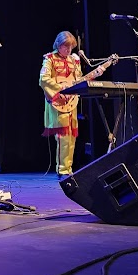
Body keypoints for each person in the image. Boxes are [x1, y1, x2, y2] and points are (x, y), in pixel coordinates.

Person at [39, 31, 82, 179]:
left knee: (72, 135)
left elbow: (78, 79)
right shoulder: (50, 59)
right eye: (66, 46)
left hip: (71, 101)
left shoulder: (74, 60)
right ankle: (62, 169)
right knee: (63, 136)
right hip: (58, 100)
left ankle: (68, 168)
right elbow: (43, 79)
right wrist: (60, 87)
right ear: (59, 45)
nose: (69, 50)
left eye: (71, 47)